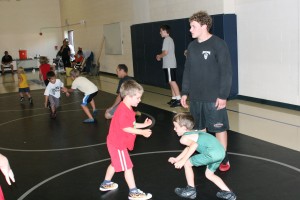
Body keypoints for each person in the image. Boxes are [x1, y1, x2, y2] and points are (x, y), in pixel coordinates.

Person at [181, 11, 232, 172]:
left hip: (213, 98)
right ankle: (206, 156)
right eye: (190, 26)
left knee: (218, 129)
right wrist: (184, 92)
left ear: (204, 26)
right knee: (200, 130)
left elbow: (226, 72)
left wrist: (223, 95)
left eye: (193, 26)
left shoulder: (218, 44)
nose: (190, 29)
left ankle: (222, 158)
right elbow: (187, 71)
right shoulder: (192, 46)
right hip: (196, 98)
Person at [100, 80, 152, 200]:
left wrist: (143, 125)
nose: (140, 100)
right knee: (128, 167)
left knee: (114, 164)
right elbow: (126, 128)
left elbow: (131, 124)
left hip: (115, 141)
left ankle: (106, 183)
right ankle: (133, 192)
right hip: (118, 144)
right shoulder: (123, 111)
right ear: (128, 96)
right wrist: (142, 132)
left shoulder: (127, 108)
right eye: (138, 98)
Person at [169, 113, 236, 200]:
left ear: (184, 128)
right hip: (221, 153)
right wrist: (177, 159)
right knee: (209, 174)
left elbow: (193, 146)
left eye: (176, 127)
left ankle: (190, 190)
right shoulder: (193, 132)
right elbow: (189, 147)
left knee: (187, 163)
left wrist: (183, 161)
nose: (174, 129)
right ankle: (228, 193)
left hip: (211, 154)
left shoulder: (183, 139)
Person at [156, 24, 181, 107]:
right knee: (171, 82)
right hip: (169, 64)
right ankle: (174, 98)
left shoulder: (167, 39)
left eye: (161, 31)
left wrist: (159, 56)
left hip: (169, 64)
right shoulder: (169, 39)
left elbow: (165, 52)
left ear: (165, 31)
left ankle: (179, 100)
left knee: (172, 81)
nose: (160, 33)